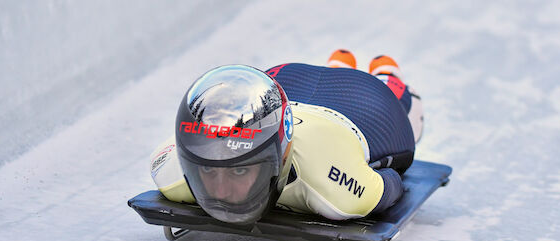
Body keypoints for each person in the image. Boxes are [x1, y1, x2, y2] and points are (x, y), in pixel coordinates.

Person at [149, 50, 423, 224]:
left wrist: (362, 171)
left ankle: (387, 76)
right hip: (284, 81)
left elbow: (391, 184)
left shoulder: (335, 191)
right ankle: (339, 64)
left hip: (365, 101)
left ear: (278, 158)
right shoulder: (170, 169)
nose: (220, 194)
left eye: (240, 169)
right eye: (207, 168)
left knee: (405, 111)